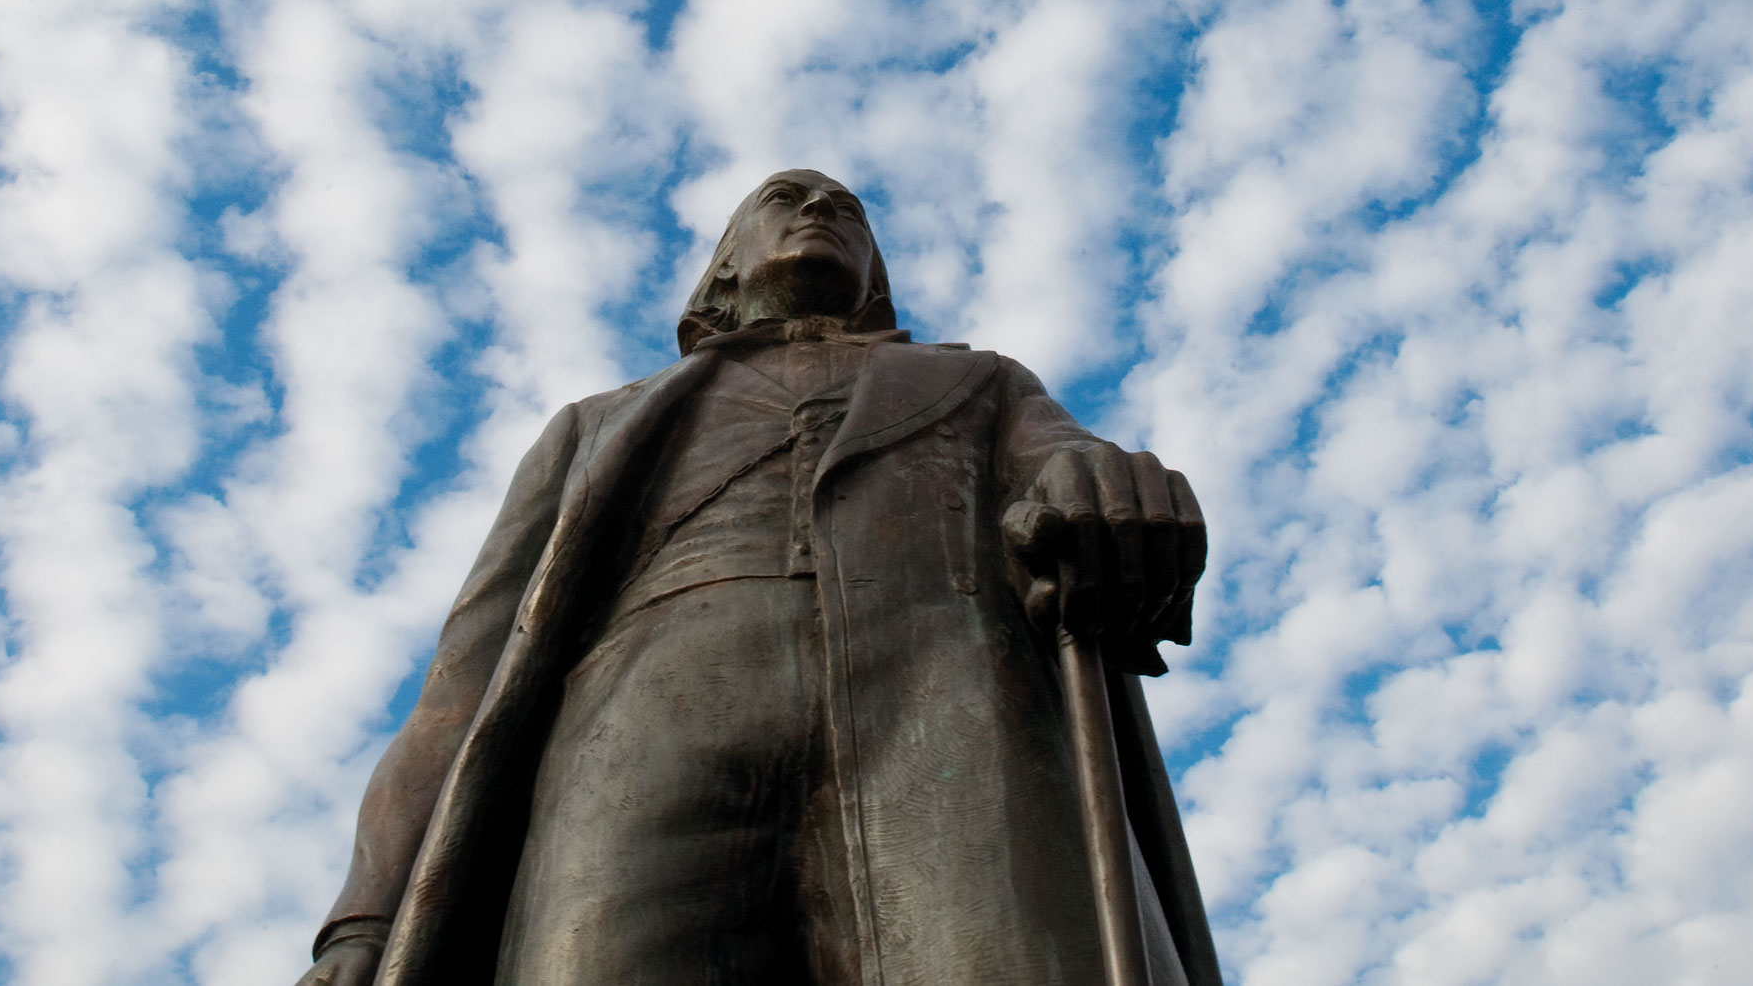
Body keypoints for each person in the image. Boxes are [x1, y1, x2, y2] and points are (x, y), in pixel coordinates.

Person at [301, 170, 1220, 986]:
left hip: (951, 708)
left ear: (876, 277)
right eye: (786, 198)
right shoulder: (594, 427)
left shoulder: (983, 383)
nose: (822, 208)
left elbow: (1075, 475)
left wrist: (1106, 490)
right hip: (637, 737)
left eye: (849, 210)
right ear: (724, 268)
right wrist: (366, 922)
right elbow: (461, 686)